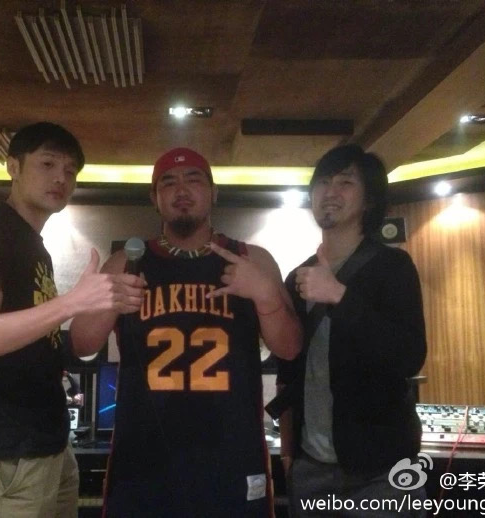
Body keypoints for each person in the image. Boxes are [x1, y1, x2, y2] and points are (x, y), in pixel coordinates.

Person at [70, 147, 302, 517]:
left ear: (213, 192)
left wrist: (266, 296)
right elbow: (82, 344)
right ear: (154, 197)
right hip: (143, 461)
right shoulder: (127, 262)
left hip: (231, 459)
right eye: (169, 182)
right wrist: (109, 301)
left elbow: (290, 349)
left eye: (193, 179)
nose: (181, 190)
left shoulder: (251, 259)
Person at [0, 122, 145, 518]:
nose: (60, 178)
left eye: (70, 170)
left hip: (48, 446)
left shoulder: (34, 246)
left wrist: (98, 308)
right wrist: (72, 302)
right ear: (13, 167)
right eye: (47, 164)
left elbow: (40, 341)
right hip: (5, 457)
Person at [274, 144, 427, 516]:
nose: (330, 191)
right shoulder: (298, 277)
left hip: (382, 471)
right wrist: (290, 453)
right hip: (310, 469)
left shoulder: (392, 266)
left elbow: (409, 357)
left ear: (369, 200)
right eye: (323, 182)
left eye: (345, 182)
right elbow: (289, 372)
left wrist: (340, 296)